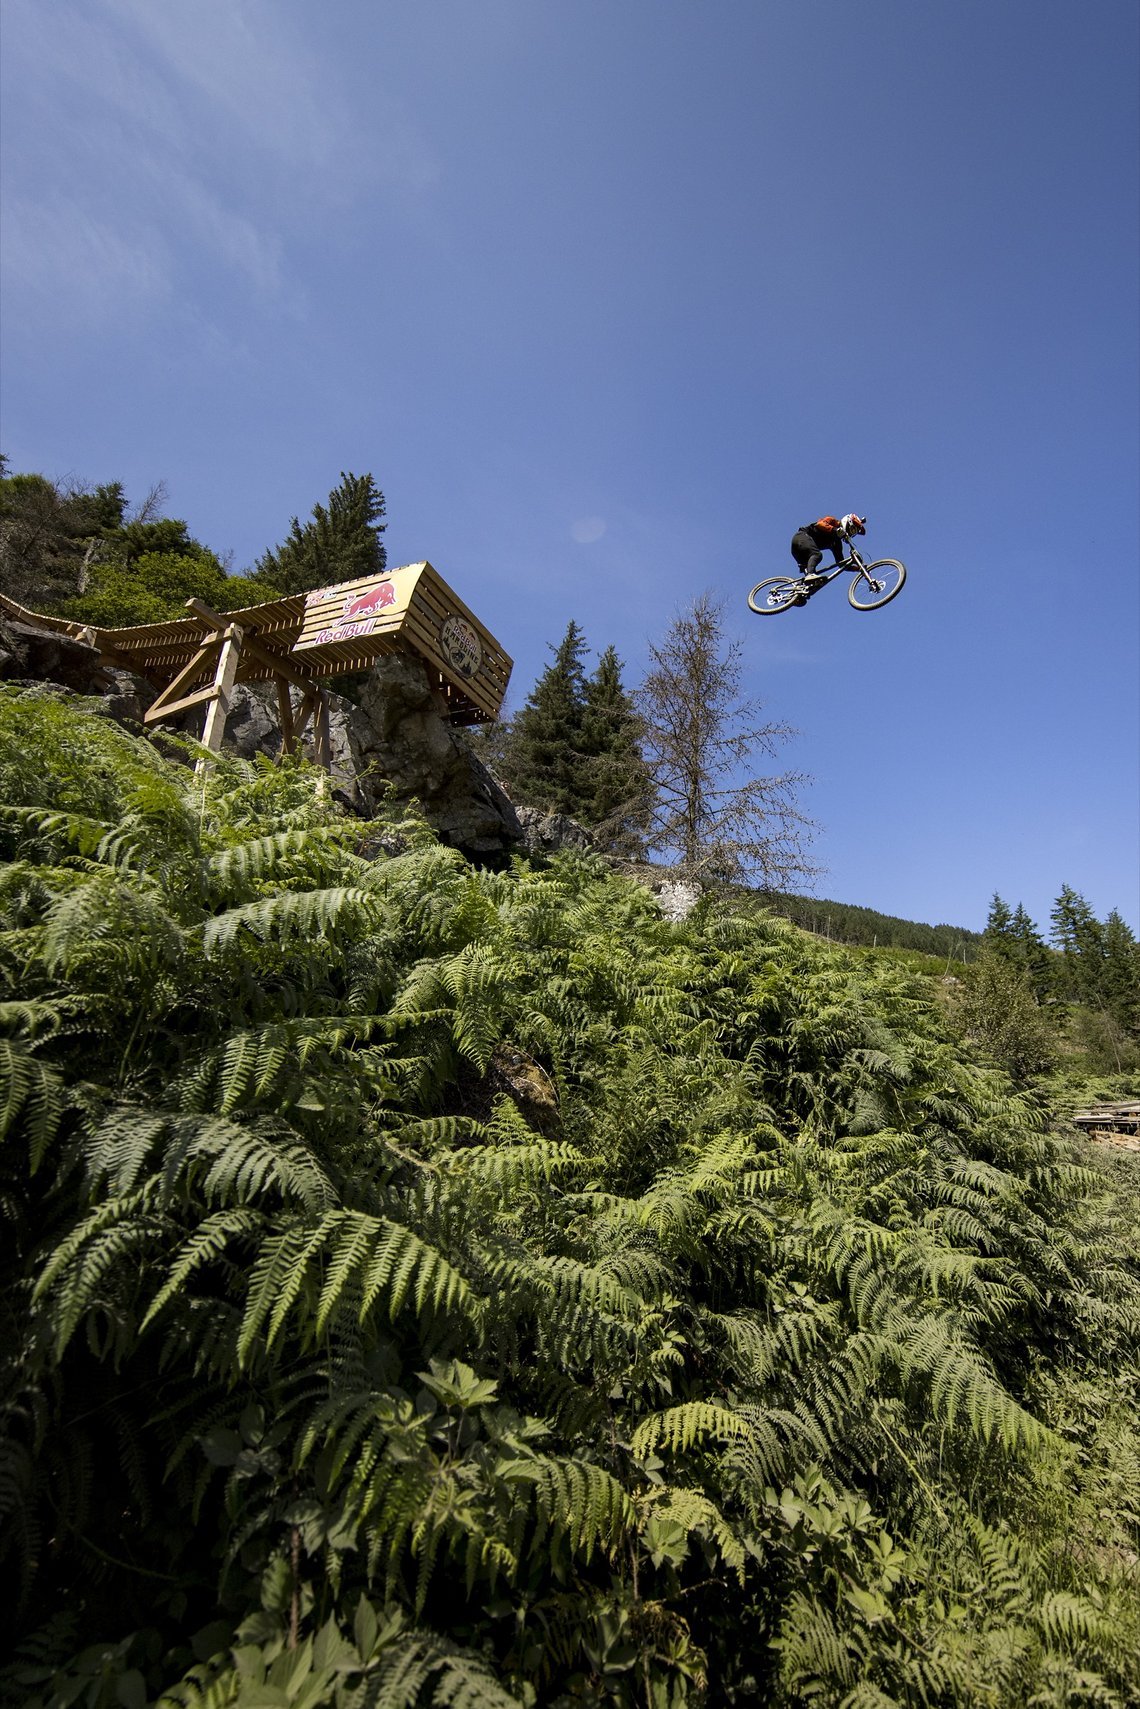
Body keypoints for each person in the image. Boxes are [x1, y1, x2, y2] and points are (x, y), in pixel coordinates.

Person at [790, 513, 866, 580]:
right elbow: (820, 524)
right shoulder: (833, 522)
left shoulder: (837, 543)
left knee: (813, 581)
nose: (850, 533)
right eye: (852, 529)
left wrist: (857, 568)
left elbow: (841, 564)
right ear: (847, 522)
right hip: (801, 538)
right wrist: (835, 530)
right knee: (817, 555)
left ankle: (797, 591)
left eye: (853, 533)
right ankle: (810, 575)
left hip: (803, 551)